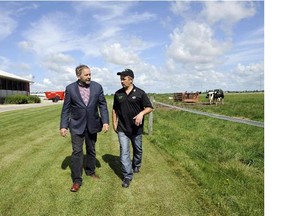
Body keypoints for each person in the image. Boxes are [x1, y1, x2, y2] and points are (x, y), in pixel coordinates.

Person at [60, 64, 109, 192]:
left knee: (91, 149)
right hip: (76, 125)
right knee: (77, 152)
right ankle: (77, 180)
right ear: (78, 75)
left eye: (90, 74)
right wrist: (63, 126)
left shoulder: (97, 87)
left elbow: (102, 105)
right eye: (86, 75)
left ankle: (90, 171)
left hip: (93, 124)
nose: (89, 77)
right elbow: (66, 109)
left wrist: (105, 122)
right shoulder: (70, 89)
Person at [112, 68, 153, 188]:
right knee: (124, 152)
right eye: (121, 79)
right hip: (122, 128)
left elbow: (149, 107)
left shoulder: (140, 93)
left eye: (124, 79)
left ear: (131, 80)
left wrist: (141, 114)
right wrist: (114, 122)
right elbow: (115, 109)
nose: (121, 81)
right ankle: (127, 176)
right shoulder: (118, 94)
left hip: (136, 129)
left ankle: (136, 164)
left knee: (138, 149)